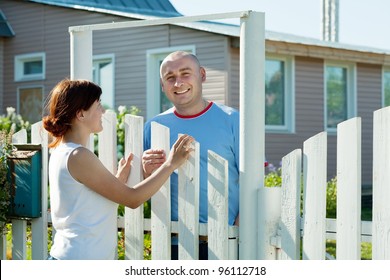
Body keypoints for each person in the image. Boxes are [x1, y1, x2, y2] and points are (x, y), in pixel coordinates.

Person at [43, 78, 193, 260]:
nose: (103, 111)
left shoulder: (64, 152)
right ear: (81, 114)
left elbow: (85, 205)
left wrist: (117, 181)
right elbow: (132, 199)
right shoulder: (78, 155)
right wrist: (171, 164)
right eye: (98, 105)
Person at [142, 51, 240, 259]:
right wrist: (146, 172)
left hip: (226, 239)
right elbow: (145, 190)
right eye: (170, 78)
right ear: (162, 85)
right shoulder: (154, 127)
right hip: (172, 240)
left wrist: (239, 230)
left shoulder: (232, 120)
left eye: (185, 74)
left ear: (202, 75)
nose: (178, 83)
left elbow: (253, 180)